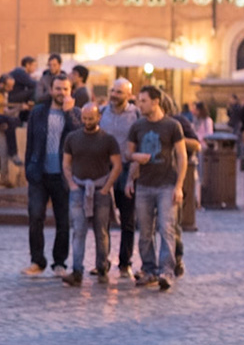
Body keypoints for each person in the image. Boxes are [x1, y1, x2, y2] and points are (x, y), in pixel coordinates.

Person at [125, 86, 187, 292]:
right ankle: (149, 269)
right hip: (144, 185)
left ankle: (166, 271)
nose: (139, 105)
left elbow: (182, 156)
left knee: (166, 228)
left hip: (166, 185)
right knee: (144, 231)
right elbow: (128, 154)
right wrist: (131, 175)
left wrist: (179, 186)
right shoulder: (137, 126)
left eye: (143, 101)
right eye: (138, 100)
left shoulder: (172, 126)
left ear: (156, 101)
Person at [59, 104, 121, 286]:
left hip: (100, 188)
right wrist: (72, 184)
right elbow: (66, 164)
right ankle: (77, 271)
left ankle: (102, 268)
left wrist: (106, 187)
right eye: (84, 119)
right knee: (79, 231)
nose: (87, 122)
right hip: (79, 188)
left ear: (98, 117)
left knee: (101, 232)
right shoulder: (72, 138)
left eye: (91, 119)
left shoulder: (108, 139)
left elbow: (117, 165)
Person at [22, 76, 77, 276]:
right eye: (58, 88)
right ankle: (37, 261)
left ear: (70, 91)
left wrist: (69, 113)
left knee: (63, 221)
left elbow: (78, 137)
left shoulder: (76, 114)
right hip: (39, 174)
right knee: (36, 216)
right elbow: (30, 143)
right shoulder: (38, 112)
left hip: (63, 175)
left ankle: (59, 263)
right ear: (51, 90)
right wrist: (29, 169)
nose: (61, 92)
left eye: (65, 89)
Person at [98, 79, 141, 275]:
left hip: (126, 169)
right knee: (102, 218)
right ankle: (102, 260)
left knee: (127, 218)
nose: (114, 95)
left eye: (119, 92)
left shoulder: (136, 115)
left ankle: (125, 262)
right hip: (104, 168)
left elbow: (139, 143)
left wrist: (134, 173)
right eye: (113, 91)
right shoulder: (102, 112)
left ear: (129, 95)